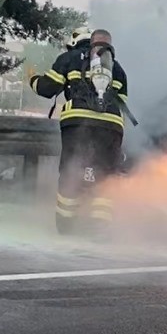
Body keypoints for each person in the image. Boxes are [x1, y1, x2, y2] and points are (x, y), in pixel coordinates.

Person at [30, 28, 128, 233]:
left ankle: (66, 226)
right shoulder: (118, 69)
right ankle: (99, 227)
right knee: (104, 175)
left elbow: (47, 89)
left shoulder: (69, 58)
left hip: (77, 121)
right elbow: (122, 104)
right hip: (111, 125)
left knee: (71, 171)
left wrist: (32, 78)